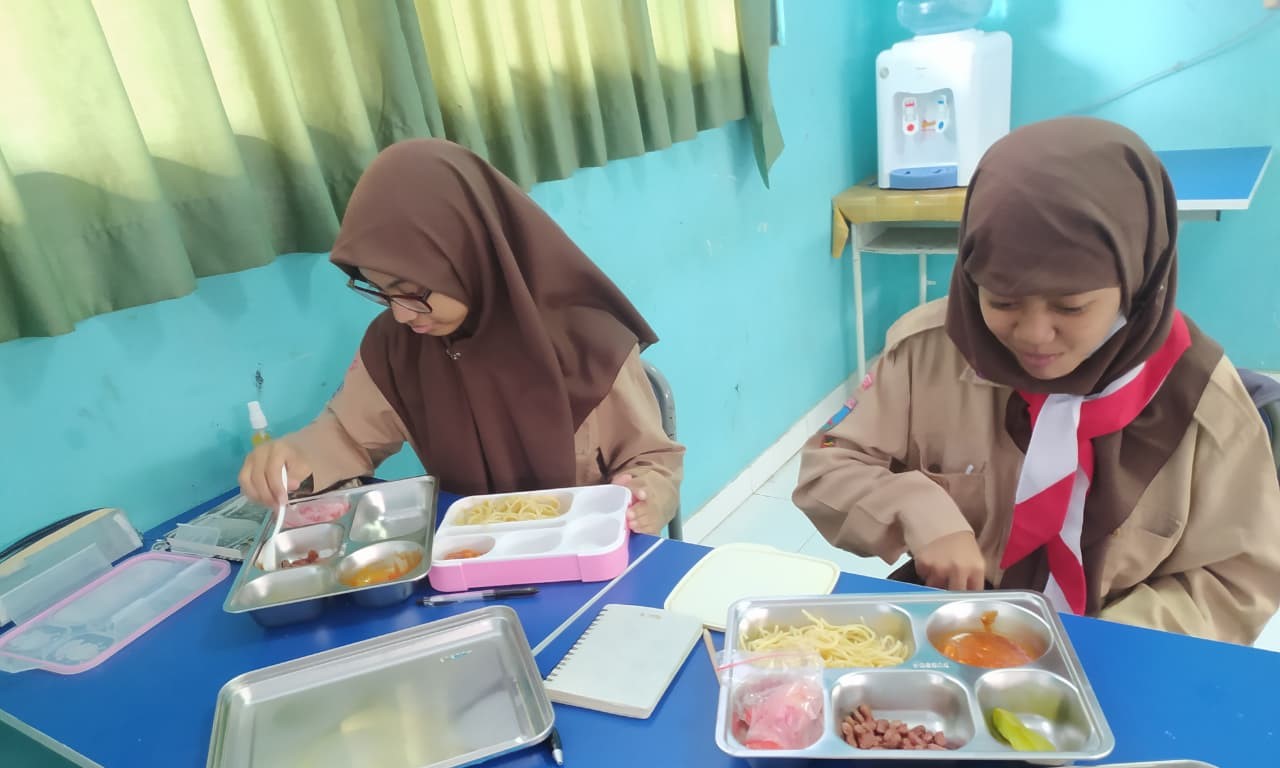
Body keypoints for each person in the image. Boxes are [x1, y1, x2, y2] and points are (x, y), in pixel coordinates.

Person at [793, 117, 1280, 644]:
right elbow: (827, 467)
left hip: (1119, 644)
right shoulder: (929, 351)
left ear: (1137, 281)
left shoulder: (1204, 401)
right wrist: (915, 505)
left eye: (1070, 307)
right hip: (959, 619)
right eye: (1002, 300)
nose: (1033, 335)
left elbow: (1237, 578)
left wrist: (1096, 642)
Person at [238, 139, 683, 534]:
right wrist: (295, 456)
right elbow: (348, 435)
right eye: (383, 291)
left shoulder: (587, 341)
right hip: (470, 552)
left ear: (468, 256)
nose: (401, 313)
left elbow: (652, 460)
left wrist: (648, 495)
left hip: (587, 547)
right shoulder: (396, 345)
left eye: (412, 291)